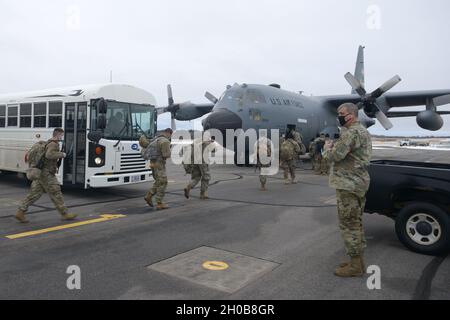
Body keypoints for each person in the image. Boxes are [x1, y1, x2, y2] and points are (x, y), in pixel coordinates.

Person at [323, 103, 373, 278]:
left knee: (349, 225)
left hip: (348, 185)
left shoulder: (351, 133)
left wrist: (327, 148)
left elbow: (334, 156)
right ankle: (357, 261)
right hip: (357, 183)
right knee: (356, 223)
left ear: (351, 115)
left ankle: (355, 266)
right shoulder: (362, 131)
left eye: (341, 114)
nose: (339, 116)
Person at [16, 128, 77, 223]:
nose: (62, 137)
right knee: (56, 192)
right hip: (46, 174)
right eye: (62, 135)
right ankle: (65, 214)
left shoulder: (48, 142)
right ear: (58, 135)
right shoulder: (53, 144)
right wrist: (62, 154)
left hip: (40, 173)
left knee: (34, 194)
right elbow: (49, 155)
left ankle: (21, 212)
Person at [143, 128, 173, 210]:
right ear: (169, 133)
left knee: (159, 181)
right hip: (159, 164)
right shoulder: (165, 141)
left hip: (152, 163)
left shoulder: (155, 139)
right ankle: (159, 203)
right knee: (163, 182)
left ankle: (149, 196)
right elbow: (166, 155)